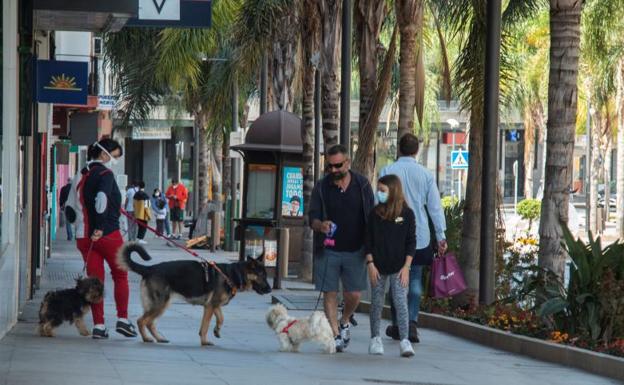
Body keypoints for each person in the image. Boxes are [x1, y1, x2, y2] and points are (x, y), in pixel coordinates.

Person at [380, 133, 447, 343]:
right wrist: (441, 235)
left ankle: (398, 325)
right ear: (416, 150)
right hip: (420, 237)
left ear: (399, 149)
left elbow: (379, 203)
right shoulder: (425, 175)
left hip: (392, 236)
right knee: (415, 279)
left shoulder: (387, 171)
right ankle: (412, 323)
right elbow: (435, 208)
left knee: (395, 281)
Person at [309, 144, 375, 352]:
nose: (334, 171)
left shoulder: (362, 185)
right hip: (328, 249)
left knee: (354, 294)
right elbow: (312, 218)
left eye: (338, 166)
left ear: (347, 163)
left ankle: (345, 319)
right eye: (330, 167)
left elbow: (371, 217)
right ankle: (335, 334)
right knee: (329, 292)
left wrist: (371, 250)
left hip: (356, 249)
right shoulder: (321, 186)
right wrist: (321, 225)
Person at [73, 138, 137, 339]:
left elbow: (68, 208)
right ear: (104, 154)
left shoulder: (80, 174)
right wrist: (99, 227)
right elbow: (101, 199)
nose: (114, 161)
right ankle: (123, 319)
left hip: (83, 237)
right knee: (120, 275)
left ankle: (99, 326)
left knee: (95, 281)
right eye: (115, 156)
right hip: (107, 234)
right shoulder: (106, 174)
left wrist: (83, 227)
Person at [365, 174, 416, 357]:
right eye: (378, 190)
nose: (379, 193)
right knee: (377, 302)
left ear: (393, 191)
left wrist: (406, 267)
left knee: (401, 301)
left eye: (383, 190)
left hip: (399, 266)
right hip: (377, 265)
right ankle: (375, 339)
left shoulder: (407, 214)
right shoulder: (374, 214)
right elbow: (368, 241)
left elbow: (411, 242)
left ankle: (404, 340)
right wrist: (370, 264)